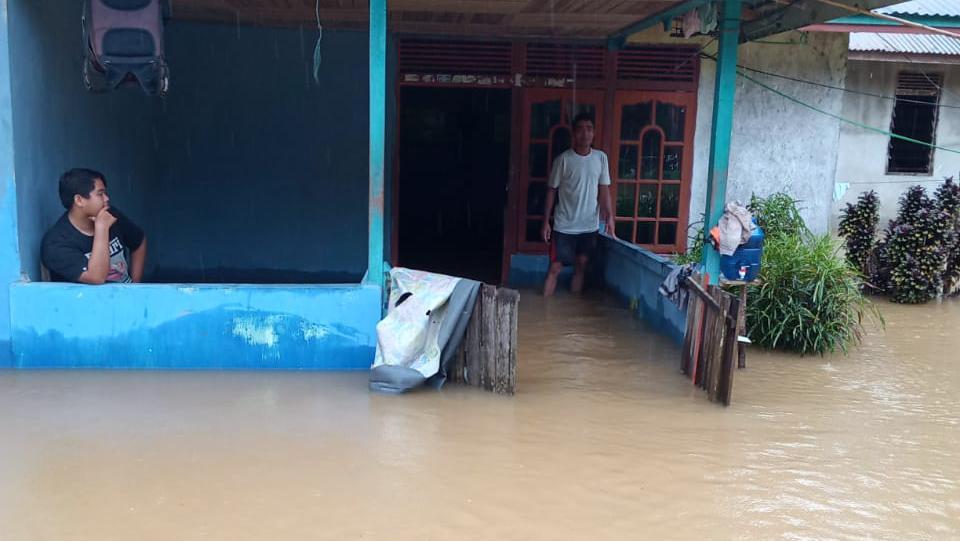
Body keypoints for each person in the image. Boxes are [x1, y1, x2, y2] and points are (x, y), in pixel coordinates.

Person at [541, 113, 615, 297]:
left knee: (581, 265)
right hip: (564, 225)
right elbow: (552, 190)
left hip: (589, 225)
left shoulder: (600, 158)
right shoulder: (563, 160)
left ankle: (574, 307)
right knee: (555, 268)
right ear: (574, 133)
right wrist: (545, 222)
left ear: (594, 133)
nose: (585, 133)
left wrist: (610, 218)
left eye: (589, 129)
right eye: (580, 129)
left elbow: (604, 190)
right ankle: (544, 304)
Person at [41, 168, 147, 284]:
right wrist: (102, 229)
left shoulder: (109, 214)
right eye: (100, 194)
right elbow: (96, 277)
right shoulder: (56, 243)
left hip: (125, 298)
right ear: (79, 200)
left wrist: (135, 287)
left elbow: (139, 241)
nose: (107, 199)